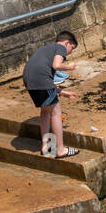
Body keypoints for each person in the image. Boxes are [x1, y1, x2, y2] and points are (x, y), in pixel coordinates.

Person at [22, 31, 80, 159]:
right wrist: (69, 67)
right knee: (56, 113)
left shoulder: (46, 49)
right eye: (72, 48)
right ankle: (60, 150)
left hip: (29, 80)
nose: (70, 52)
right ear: (67, 43)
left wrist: (62, 92)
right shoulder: (60, 47)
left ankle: (45, 146)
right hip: (40, 81)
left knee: (45, 111)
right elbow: (57, 65)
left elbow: (45, 78)